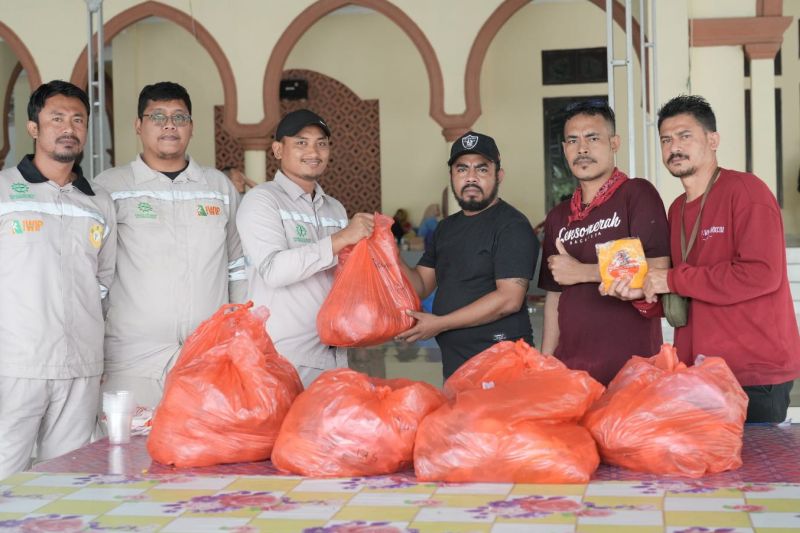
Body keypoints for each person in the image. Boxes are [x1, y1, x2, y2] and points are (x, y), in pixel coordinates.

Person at [641, 94, 800, 422]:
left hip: (752, 374)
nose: (674, 147)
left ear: (712, 140)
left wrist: (670, 279)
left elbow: (761, 274)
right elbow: (681, 288)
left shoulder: (746, 191)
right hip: (699, 373)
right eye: (666, 139)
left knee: (757, 469)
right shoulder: (676, 208)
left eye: (685, 136)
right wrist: (639, 290)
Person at [94, 82, 246, 408]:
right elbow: (94, 274)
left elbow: (237, 266)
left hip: (207, 354)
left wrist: (237, 334)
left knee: (204, 451)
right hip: (131, 358)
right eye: (157, 116)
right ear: (138, 125)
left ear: (191, 127)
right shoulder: (109, 187)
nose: (169, 125)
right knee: (128, 453)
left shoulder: (217, 187)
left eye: (179, 117)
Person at [0, 80, 116, 478]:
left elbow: (104, 282)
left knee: (69, 481)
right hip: (15, 363)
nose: (69, 128)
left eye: (78, 119)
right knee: (6, 474)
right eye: (57, 118)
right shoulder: (3, 191)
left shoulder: (98, 201)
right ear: (33, 128)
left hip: (80, 366)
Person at [236, 109, 374, 387]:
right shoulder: (262, 201)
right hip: (283, 357)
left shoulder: (334, 207)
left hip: (334, 352)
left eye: (321, 143)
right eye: (301, 142)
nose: (313, 151)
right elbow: (274, 270)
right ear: (277, 149)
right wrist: (342, 238)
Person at [538, 100, 670, 385]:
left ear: (614, 143)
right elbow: (555, 296)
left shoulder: (636, 194)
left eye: (592, 138)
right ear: (564, 149)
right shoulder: (559, 216)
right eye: (573, 140)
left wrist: (583, 272)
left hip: (633, 369)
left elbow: (657, 270)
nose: (582, 148)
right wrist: (546, 361)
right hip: (570, 371)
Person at [397, 131, 539, 378]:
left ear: (499, 176)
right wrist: (389, 252)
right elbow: (420, 286)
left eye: (482, 169)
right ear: (452, 176)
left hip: (502, 364)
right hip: (456, 364)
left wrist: (439, 324)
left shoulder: (511, 225)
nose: (471, 177)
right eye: (462, 169)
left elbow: (509, 299)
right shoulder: (445, 229)